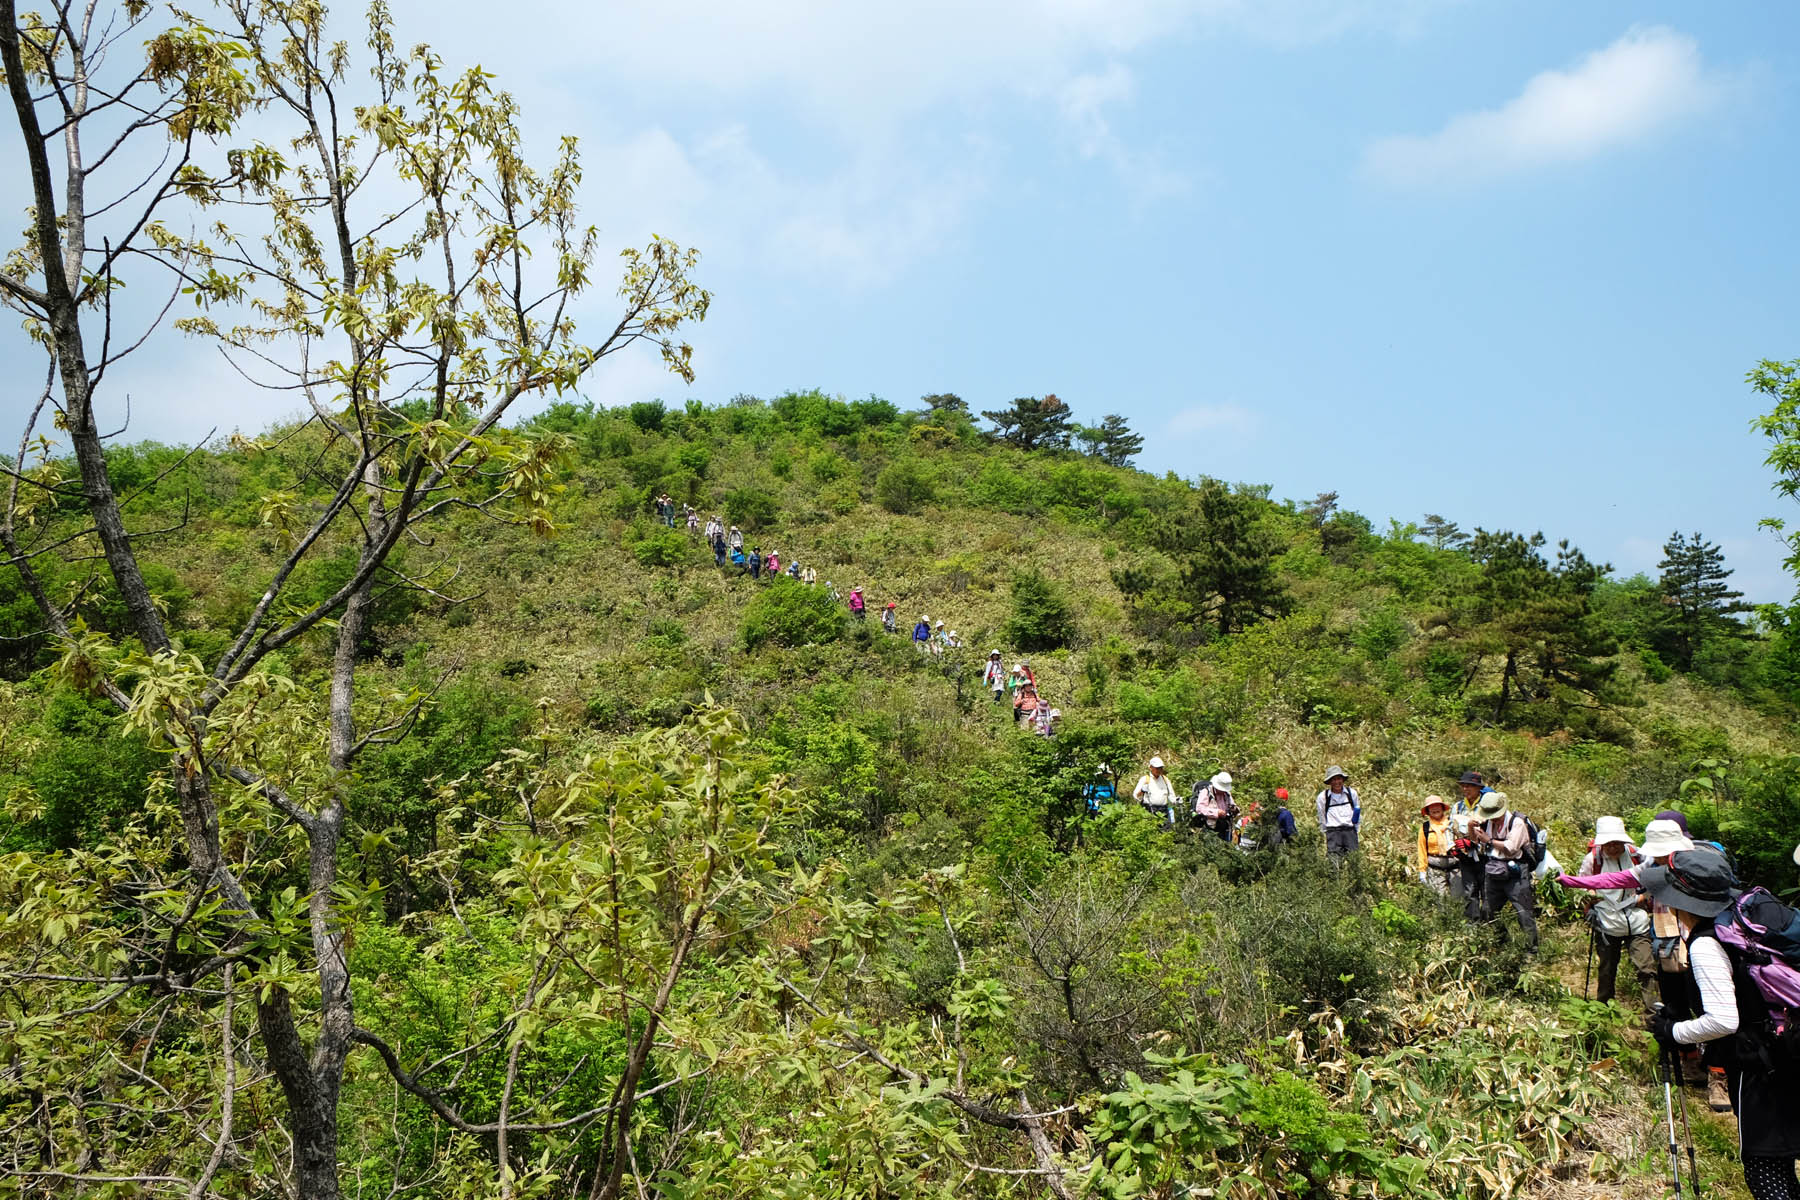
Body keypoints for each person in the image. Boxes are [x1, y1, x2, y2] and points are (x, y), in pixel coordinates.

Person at [1644, 849, 1800, 1200]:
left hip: (1761, 1069)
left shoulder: (1707, 942)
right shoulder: (1747, 918)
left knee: (1766, 1167)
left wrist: (1673, 1032)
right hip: (1790, 1044)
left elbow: (1724, 1020)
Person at [1576, 816, 1657, 1013]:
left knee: (1646, 969)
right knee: (1607, 969)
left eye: (1617, 843)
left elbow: (1654, 880)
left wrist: (1644, 897)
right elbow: (1582, 885)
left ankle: (1655, 1016)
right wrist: (1591, 896)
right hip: (1607, 922)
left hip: (1637, 921)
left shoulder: (1637, 855)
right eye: (1608, 844)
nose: (1613, 848)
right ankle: (1603, 1010)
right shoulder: (1593, 860)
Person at [1468, 791, 1538, 951]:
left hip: (1516, 872)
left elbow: (1510, 848)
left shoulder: (1517, 823)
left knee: (1523, 912)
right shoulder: (1487, 822)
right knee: (1488, 911)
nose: (1493, 819)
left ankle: (1531, 950)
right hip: (1494, 870)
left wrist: (1489, 840)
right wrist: (1471, 828)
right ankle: (1502, 942)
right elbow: (1475, 842)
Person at [1416, 796, 1458, 898]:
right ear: (1427, 811)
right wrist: (1422, 870)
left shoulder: (1452, 823)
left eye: (1437, 805)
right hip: (1435, 868)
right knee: (1440, 900)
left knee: (1459, 899)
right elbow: (1422, 850)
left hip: (1456, 866)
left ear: (1442, 808)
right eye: (1431, 807)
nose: (1435, 809)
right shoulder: (1425, 828)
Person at [1315, 767, 1360, 858]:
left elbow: (1357, 811)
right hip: (1333, 833)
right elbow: (1322, 816)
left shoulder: (1352, 793)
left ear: (1342, 779)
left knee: (1354, 858)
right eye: (1333, 779)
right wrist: (1325, 832)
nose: (1337, 782)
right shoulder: (1323, 797)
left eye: (1339, 778)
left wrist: (1356, 829)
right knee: (1334, 861)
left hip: (1349, 831)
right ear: (1330, 782)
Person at [1133, 756, 1178, 827]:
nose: (1159, 770)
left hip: (1164, 811)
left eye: (1161, 768)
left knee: (1166, 831)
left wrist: (1176, 800)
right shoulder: (1145, 779)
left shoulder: (1165, 779)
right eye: (1157, 768)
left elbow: (1171, 795)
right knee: (1151, 830)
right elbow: (1136, 796)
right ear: (1151, 767)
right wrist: (1142, 791)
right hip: (1149, 810)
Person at [1191, 772, 1237, 841]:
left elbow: (1233, 804)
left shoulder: (1227, 794)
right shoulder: (1206, 792)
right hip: (1210, 827)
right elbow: (1199, 808)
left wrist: (1234, 809)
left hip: (1224, 826)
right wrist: (1216, 812)